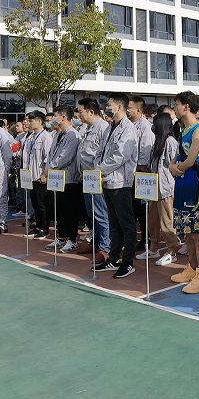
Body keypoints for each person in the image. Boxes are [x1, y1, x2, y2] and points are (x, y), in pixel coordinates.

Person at [169, 91, 199, 294]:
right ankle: (192, 268)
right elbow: (177, 157)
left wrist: (175, 168)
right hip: (182, 185)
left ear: (186, 106)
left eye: (176, 104)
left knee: (197, 233)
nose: (174, 108)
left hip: (194, 185)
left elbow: (189, 161)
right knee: (187, 231)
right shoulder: (183, 130)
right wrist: (173, 166)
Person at [95, 93, 139, 277]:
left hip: (121, 183)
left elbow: (120, 156)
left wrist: (100, 169)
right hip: (106, 181)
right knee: (114, 224)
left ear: (119, 107)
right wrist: (98, 169)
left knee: (127, 225)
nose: (106, 107)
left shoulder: (128, 129)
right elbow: (100, 151)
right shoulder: (110, 127)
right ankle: (113, 259)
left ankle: (127, 262)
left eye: (109, 104)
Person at [139, 112, 182, 267]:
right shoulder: (157, 141)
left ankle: (172, 251)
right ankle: (153, 248)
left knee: (166, 222)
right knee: (153, 222)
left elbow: (173, 166)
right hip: (153, 189)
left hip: (165, 188)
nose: (152, 126)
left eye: (155, 123)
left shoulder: (170, 142)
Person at [43, 107, 82, 253]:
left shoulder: (73, 135)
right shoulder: (58, 134)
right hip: (56, 178)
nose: (53, 119)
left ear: (64, 117)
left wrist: (49, 168)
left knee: (68, 210)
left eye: (55, 116)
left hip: (68, 179)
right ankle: (62, 236)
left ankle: (72, 239)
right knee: (58, 210)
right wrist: (48, 168)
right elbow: (51, 154)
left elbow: (66, 157)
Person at [77, 98, 110, 263]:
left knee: (101, 213)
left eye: (81, 111)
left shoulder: (103, 128)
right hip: (87, 177)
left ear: (91, 111)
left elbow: (104, 154)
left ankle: (105, 248)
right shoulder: (87, 128)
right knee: (92, 214)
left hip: (97, 177)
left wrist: (101, 174)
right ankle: (96, 243)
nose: (79, 115)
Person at [128, 95, 155, 250]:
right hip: (130, 173)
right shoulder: (129, 124)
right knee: (133, 209)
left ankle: (146, 239)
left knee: (142, 209)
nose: (127, 110)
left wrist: (141, 167)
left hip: (140, 173)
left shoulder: (145, 126)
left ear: (138, 110)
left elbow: (146, 148)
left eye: (130, 108)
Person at [22, 111, 50, 239]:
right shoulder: (31, 137)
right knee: (35, 204)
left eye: (31, 120)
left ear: (39, 121)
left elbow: (48, 158)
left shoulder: (46, 137)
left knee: (42, 204)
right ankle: (38, 226)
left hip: (40, 176)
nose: (28, 123)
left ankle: (44, 228)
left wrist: (45, 174)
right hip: (31, 176)